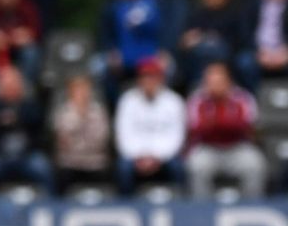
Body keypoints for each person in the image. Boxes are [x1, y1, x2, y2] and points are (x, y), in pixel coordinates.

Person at [186, 62, 267, 199]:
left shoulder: (243, 98)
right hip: (208, 147)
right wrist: (226, 124)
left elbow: (247, 127)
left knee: (255, 164)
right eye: (211, 81)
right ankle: (202, 210)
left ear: (228, 81)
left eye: (219, 81)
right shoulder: (197, 99)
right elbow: (196, 128)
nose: (215, 85)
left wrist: (216, 124)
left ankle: (251, 206)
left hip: (237, 147)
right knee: (196, 165)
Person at [114, 58, 186, 195]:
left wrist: (157, 157)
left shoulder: (174, 101)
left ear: (160, 79)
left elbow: (177, 137)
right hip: (135, 155)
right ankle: (126, 205)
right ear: (139, 80)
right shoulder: (127, 100)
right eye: (144, 77)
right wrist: (140, 156)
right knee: (123, 168)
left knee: (177, 167)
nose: (148, 81)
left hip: (164, 156)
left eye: (152, 77)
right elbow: (123, 136)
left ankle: (180, 207)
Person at [0, 65, 51, 195]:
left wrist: (16, 117)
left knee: (43, 168)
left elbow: (38, 120)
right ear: (0, 86)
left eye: (13, 83)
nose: (10, 88)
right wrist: (0, 121)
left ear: (20, 85)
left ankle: (50, 208)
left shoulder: (29, 105)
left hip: (26, 156)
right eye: (6, 84)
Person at [98, 0, 164, 102]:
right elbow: (105, 34)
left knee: (168, 68)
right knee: (99, 67)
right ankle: (113, 109)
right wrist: (111, 51)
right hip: (121, 57)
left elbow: (160, 32)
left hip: (148, 55)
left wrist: (162, 51)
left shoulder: (151, 5)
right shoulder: (112, 7)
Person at [176, 0, 244, 89]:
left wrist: (206, 39)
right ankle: (199, 88)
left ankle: (212, 84)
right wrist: (187, 41)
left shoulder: (234, 14)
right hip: (197, 58)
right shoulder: (195, 14)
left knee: (212, 49)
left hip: (225, 57)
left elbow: (236, 42)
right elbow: (184, 41)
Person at [53, 74, 111, 191]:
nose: (82, 94)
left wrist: (78, 141)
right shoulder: (63, 113)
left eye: (85, 89)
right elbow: (64, 142)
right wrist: (80, 117)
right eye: (78, 90)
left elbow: (100, 141)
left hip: (95, 162)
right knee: (61, 175)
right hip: (70, 163)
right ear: (71, 93)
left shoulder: (98, 112)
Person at [240, 0, 288, 88]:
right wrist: (259, 51)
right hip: (258, 51)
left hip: (284, 51)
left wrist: (285, 52)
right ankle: (255, 101)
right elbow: (245, 32)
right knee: (244, 63)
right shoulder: (252, 3)